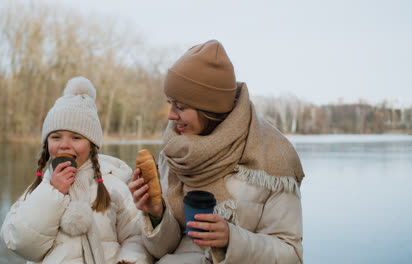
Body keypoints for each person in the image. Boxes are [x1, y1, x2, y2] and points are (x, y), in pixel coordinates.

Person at [128, 40, 305, 263]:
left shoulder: (273, 159)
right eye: (170, 103)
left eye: (180, 107)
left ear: (209, 109)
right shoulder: (174, 153)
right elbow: (162, 250)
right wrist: (156, 213)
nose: (170, 115)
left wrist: (232, 239)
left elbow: (291, 255)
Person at [1, 77, 153, 264]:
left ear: (92, 145)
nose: (65, 145)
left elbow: (136, 237)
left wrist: (129, 261)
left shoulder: (114, 185)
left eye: (76, 137)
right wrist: (53, 193)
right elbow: (21, 243)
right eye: (56, 137)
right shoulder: (39, 188)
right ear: (46, 143)